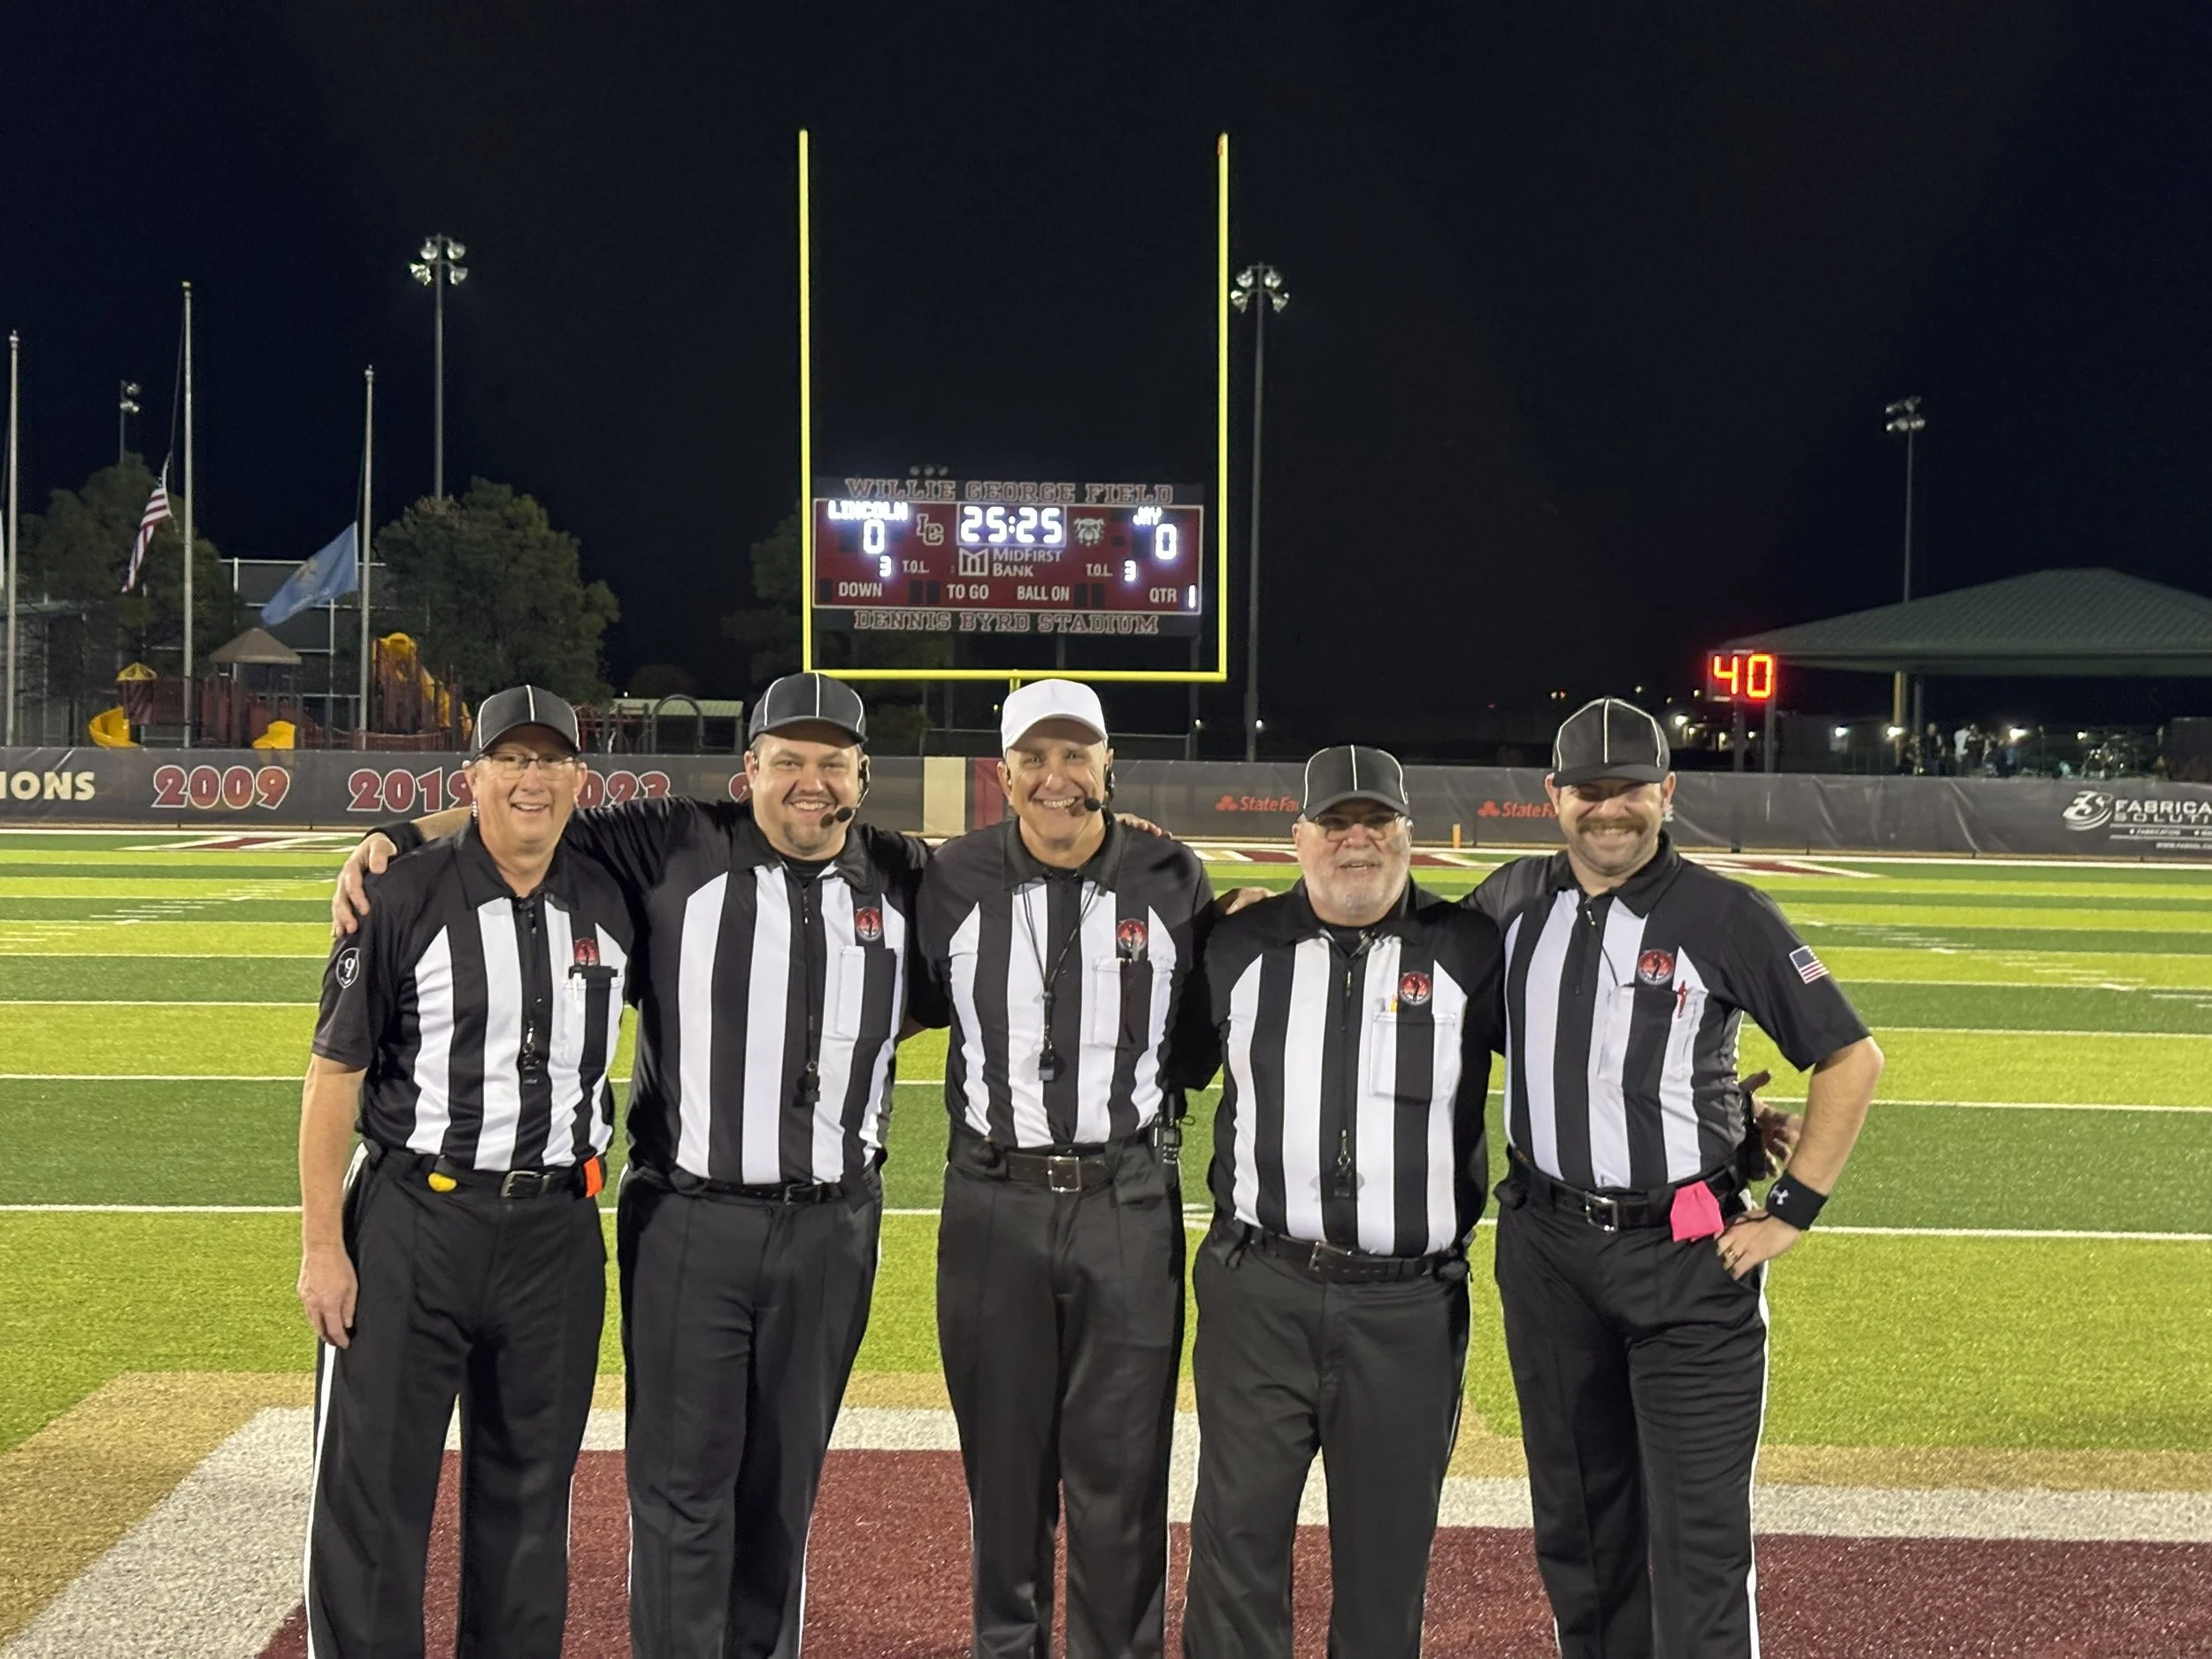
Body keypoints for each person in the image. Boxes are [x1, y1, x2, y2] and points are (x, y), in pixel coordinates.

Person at [334, 671, 944, 1659]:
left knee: (782, 1495)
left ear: (863, 776)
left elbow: (970, 970)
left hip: (835, 1224)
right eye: (788, 760)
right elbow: (523, 814)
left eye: (832, 763)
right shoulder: (670, 843)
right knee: (679, 1495)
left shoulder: (907, 876)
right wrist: (401, 837)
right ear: (749, 771)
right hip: (691, 1220)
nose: (810, 781)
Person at [1469, 696, 1884, 1659]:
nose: (1607, 810)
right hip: (1548, 1250)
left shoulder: (1721, 911)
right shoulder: (1509, 900)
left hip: (1687, 1257)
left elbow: (1849, 1058)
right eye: (1588, 791)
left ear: (1666, 793)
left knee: (1697, 1542)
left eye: (1628, 791)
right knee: (1579, 1530)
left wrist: (1790, 1211)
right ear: (1553, 798)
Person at [299, 684, 630, 1657]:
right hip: (415, 1219)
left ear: (581, 776)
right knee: (375, 1498)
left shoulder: (614, 889)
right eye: (510, 760)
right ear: (473, 774)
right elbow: (331, 1080)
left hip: (557, 1232)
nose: (532, 778)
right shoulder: (403, 892)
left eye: (551, 760)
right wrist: (323, 1248)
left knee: (531, 1498)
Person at [917, 678, 1221, 1659]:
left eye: (1075, 755)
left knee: (1123, 1478)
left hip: (1126, 1200)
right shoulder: (951, 876)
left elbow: (1195, 1047)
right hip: (992, 1201)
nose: (1057, 776)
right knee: (1003, 1474)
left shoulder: (1173, 876)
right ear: (1003, 773)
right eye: (1035, 758)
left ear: (1107, 764)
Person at [1181, 746, 1504, 1657]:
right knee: (1235, 1542)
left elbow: (1584, 1062)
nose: (1354, 841)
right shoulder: (1238, 944)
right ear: (1298, 838)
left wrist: (1725, 1108)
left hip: (1407, 1303)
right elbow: (1152, 1063)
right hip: (1259, 1292)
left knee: (1386, 1559)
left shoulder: (1467, 948)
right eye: (1335, 823)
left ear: (1408, 836)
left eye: (1375, 823)